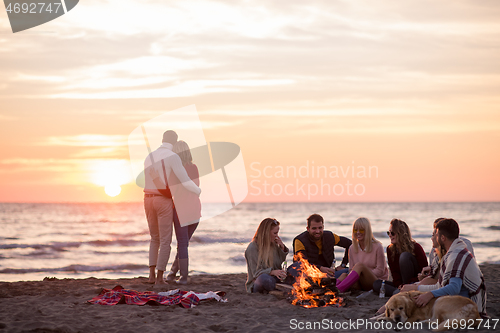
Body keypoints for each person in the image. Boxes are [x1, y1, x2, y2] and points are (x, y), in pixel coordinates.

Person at [144, 130, 201, 285]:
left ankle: (165, 275)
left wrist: (156, 180)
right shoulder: (191, 167)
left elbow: (169, 188)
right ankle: (170, 275)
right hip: (195, 210)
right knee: (180, 243)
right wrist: (197, 191)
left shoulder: (151, 157)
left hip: (161, 203)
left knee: (160, 239)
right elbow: (191, 185)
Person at [413, 218, 486, 317]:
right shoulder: (454, 251)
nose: (433, 237)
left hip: (465, 307)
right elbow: (440, 286)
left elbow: (454, 288)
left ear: (442, 238)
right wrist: (417, 288)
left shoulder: (456, 255)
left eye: (436, 234)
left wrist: (429, 294)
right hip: (458, 300)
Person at [163, 140, 202, 285]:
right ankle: (173, 272)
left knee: (182, 244)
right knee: (184, 244)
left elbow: (171, 190)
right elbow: (196, 185)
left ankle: (184, 277)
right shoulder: (194, 167)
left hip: (180, 209)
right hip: (195, 209)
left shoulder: (174, 170)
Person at [374, 218, 428, 296]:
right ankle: (399, 292)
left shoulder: (416, 247)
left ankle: (403, 292)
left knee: (404, 256)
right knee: (377, 284)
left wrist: (408, 284)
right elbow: (394, 273)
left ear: (400, 233)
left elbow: (425, 272)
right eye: (388, 233)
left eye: (392, 233)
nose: (389, 235)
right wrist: (399, 284)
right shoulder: (390, 250)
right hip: (401, 285)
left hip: (415, 283)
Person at [289, 214, 351, 280]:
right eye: (314, 228)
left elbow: (350, 244)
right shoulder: (300, 240)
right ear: (308, 228)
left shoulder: (330, 236)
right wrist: (320, 268)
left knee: (351, 271)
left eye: (320, 228)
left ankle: (335, 284)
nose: (317, 231)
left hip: (329, 274)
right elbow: (301, 263)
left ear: (323, 227)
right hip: (308, 276)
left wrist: (343, 265)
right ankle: (336, 285)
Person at [336, 217, 388, 292]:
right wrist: (357, 275)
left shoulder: (377, 246)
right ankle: (331, 290)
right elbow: (351, 269)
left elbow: (380, 271)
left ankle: (339, 289)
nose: (358, 232)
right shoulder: (352, 248)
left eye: (361, 230)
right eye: (355, 229)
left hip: (376, 283)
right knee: (344, 275)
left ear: (367, 231)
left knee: (359, 266)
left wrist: (362, 272)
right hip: (360, 283)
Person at [245, 218, 289, 293]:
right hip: (259, 281)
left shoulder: (272, 244)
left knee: (297, 268)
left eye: (277, 233)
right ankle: (278, 288)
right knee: (265, 279)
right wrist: (272, 272)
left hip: (276, 278)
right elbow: (256, 273)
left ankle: (278, 288)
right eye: (275, 233)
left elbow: (278, 263)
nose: (276, 236)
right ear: (266, 233)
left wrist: (282, 248)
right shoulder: (252, 248)